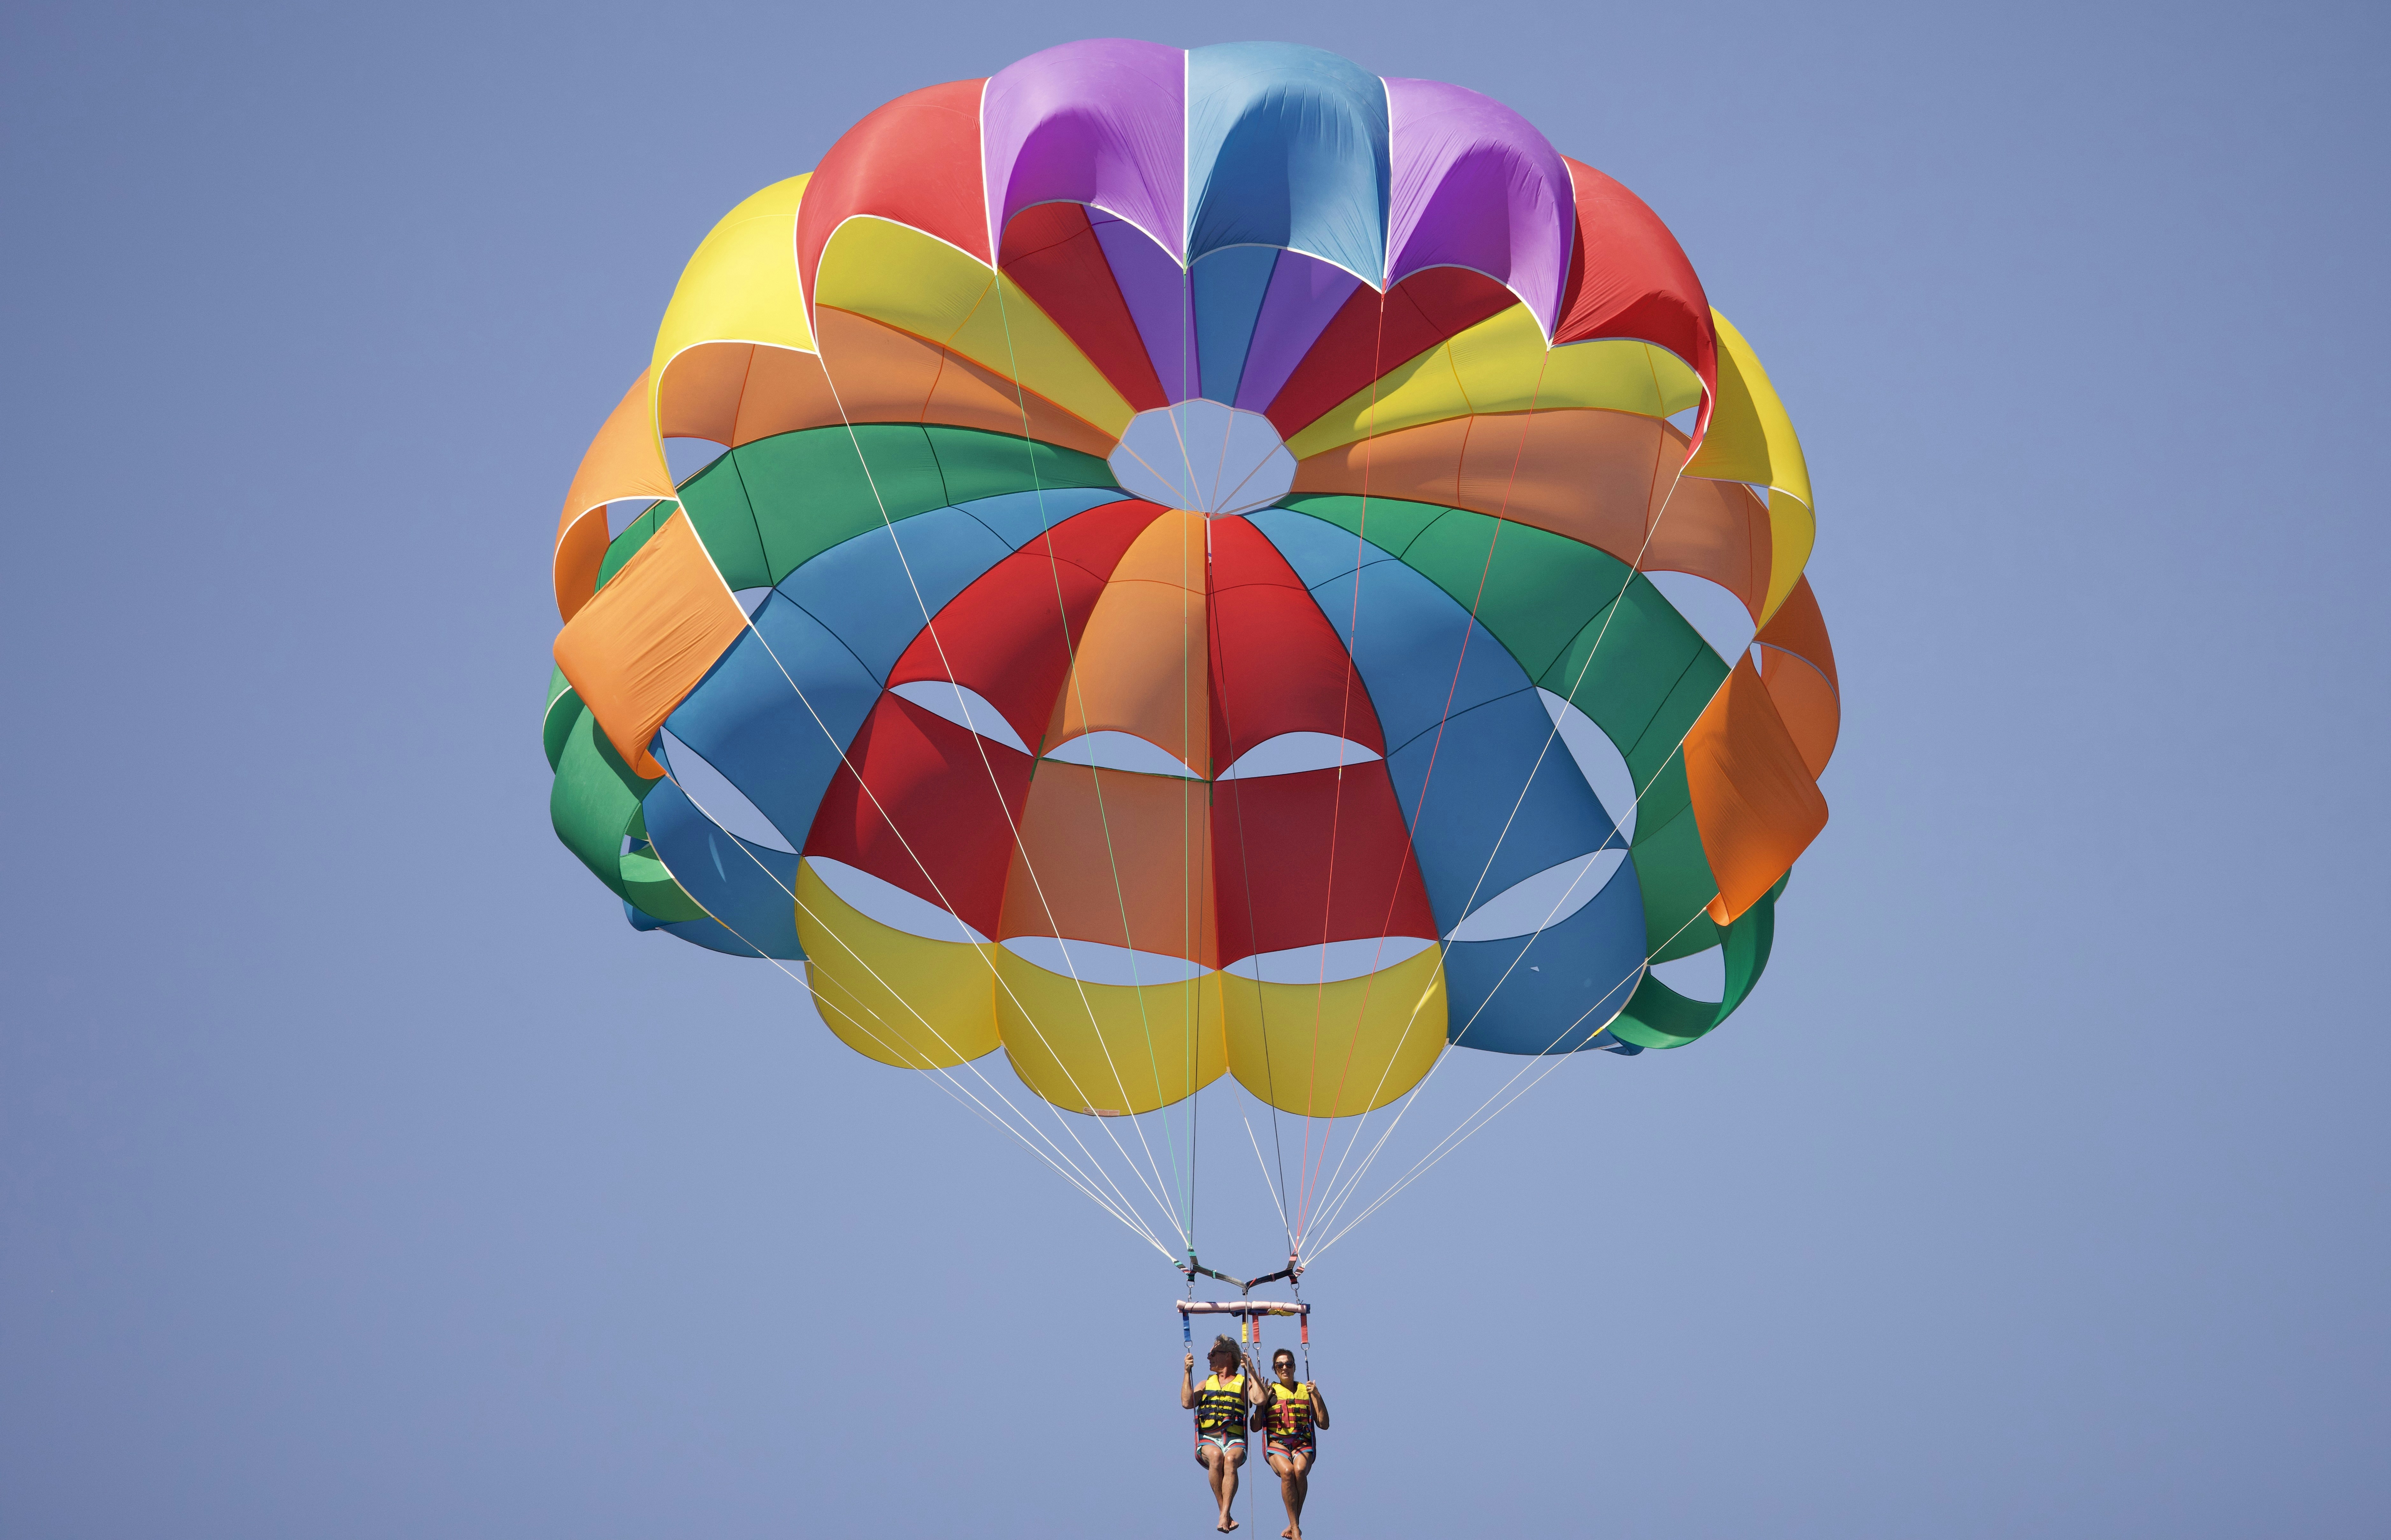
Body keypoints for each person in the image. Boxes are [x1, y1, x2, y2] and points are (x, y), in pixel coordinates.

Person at [1182, 1334, 1266, 1532]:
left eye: (1213, 1353)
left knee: (1230, 1460)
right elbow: (1187, 1403)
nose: (1209, 1358)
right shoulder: (1205, 1384)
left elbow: (1260, 1400)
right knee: (1217, 1456)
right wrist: (1187, 1372)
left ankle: (1224, 1514)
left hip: (1235, 1439)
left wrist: (1251, 1369)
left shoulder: (1244, 1382)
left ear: (1228, 1356)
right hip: (1209, 1439)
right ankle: (1225, 1514)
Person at [1256, 1346, 1329, 1540]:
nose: (1285, 1368)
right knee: (1287, 1472)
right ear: (1275, 1369)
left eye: (1289, 1364)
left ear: (1295, 1367)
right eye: (1280, 1365)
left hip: (1302, 1443)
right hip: (1278, 1444)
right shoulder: (1270, 1391)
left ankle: (1294, 1524)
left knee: (1299, 1471)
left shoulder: (1307, 1391)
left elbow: (1324, 1424)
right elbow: (1255, 1427)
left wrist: (1318, 1396)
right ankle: (1296, 1529)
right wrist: (1260, 1401)